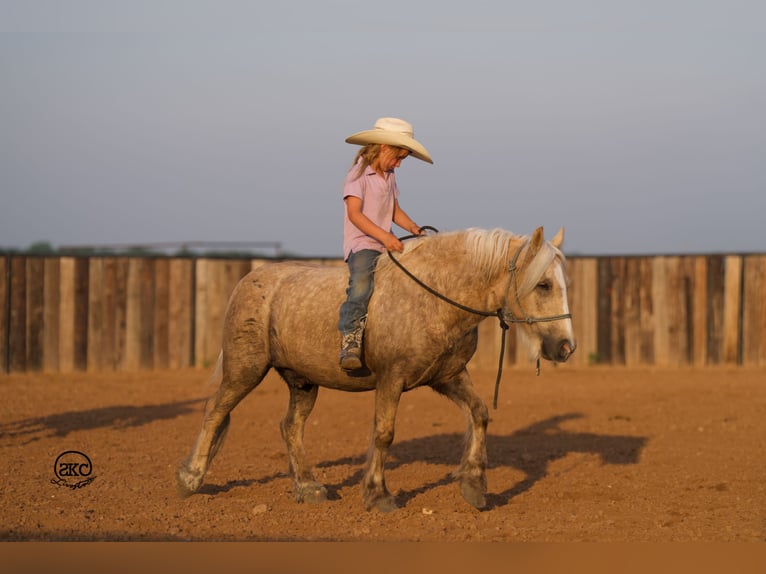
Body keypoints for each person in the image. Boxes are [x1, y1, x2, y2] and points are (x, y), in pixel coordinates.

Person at [337, 117, 433, 372]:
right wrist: (385, 237)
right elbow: (355, 214)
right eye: (398, 157)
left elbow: (394, 210)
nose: (399, 164)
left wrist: (413, 228)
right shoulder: (358, 174)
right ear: (384, 148)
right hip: (363, 243)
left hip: (384, 243)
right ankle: (350, 339)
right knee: (361, 283)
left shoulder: (388, 175)